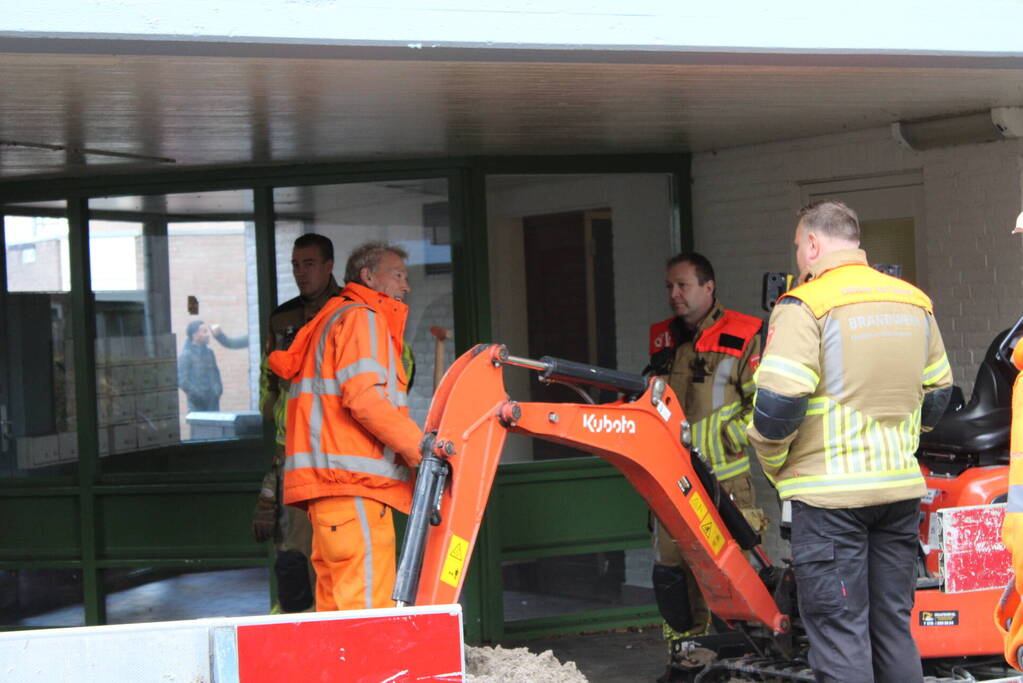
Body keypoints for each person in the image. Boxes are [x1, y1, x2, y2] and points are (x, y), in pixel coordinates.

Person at [747, 200, 953, 683]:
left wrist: (777, 466)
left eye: (798, 246)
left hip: (830, 501)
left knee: (841, 633)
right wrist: (901, 444)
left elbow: (777, 407)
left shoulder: (805, 305)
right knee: (892, 629)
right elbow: (940, 393)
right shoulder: (914, 301)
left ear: (812, 243)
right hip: (898, 493)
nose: (799, 255)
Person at [267, 240, 423, 611]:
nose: (406, 286)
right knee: (367, 613)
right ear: (368, 276)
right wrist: (422, 450)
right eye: (398, 276)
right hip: (355, 490)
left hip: (332, 496)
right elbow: (365, 398)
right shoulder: (362, 318)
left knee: (337, 612)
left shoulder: (330, 318)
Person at [645, 252, 765, 669]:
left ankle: (734, 665)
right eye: (669, 286)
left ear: (708, 287)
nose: (674, 294)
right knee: (672, 577)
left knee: (728, 577)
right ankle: (684, 661)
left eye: (683, 285)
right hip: (669, 481)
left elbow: (766, 406)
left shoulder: (745, 334)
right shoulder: (662, 338)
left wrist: (728, 438)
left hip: (724, 483)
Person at [252, 233, 342, 613]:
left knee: (336, 554)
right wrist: (276, 410)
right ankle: (294, 629)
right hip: (293, 456)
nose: (300, 273)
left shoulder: (349, 311)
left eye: (308, 264)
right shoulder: (282, 318)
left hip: (338, 457)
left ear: (328, 266)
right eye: (295, 265)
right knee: (292, 558)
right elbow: (269, 382)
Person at [177, 319, 223, 412]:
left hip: (213, 404)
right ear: (195, 335)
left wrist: (217, 391)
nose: (208, 335)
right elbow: (182, 381)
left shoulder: (210, 353)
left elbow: (216, 374)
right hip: (197, 406)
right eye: (204, 332)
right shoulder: (186, 355)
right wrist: (198, 395)